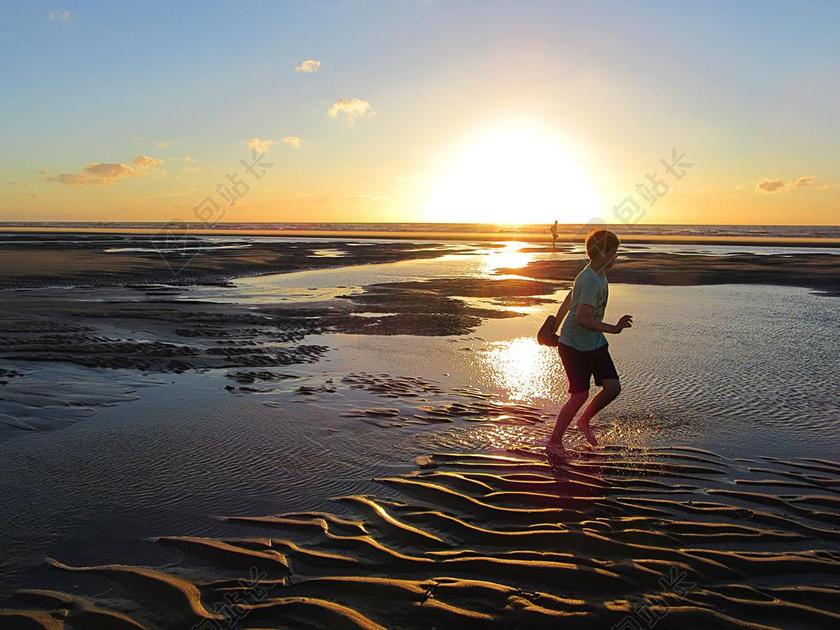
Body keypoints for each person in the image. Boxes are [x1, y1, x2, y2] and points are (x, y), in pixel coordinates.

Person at [545, 229, 633, 460]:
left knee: (612, 387)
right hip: (573, 345)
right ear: (604, 252)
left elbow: (568, 299)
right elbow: (583, 318)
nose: (616, 257)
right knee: (579, 395)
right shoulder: (589, 278)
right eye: (614, 252)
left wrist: (553, 326)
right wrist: (613, 328)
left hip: (593, 342)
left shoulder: (597, 274)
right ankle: (554, 441)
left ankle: (584, 421)